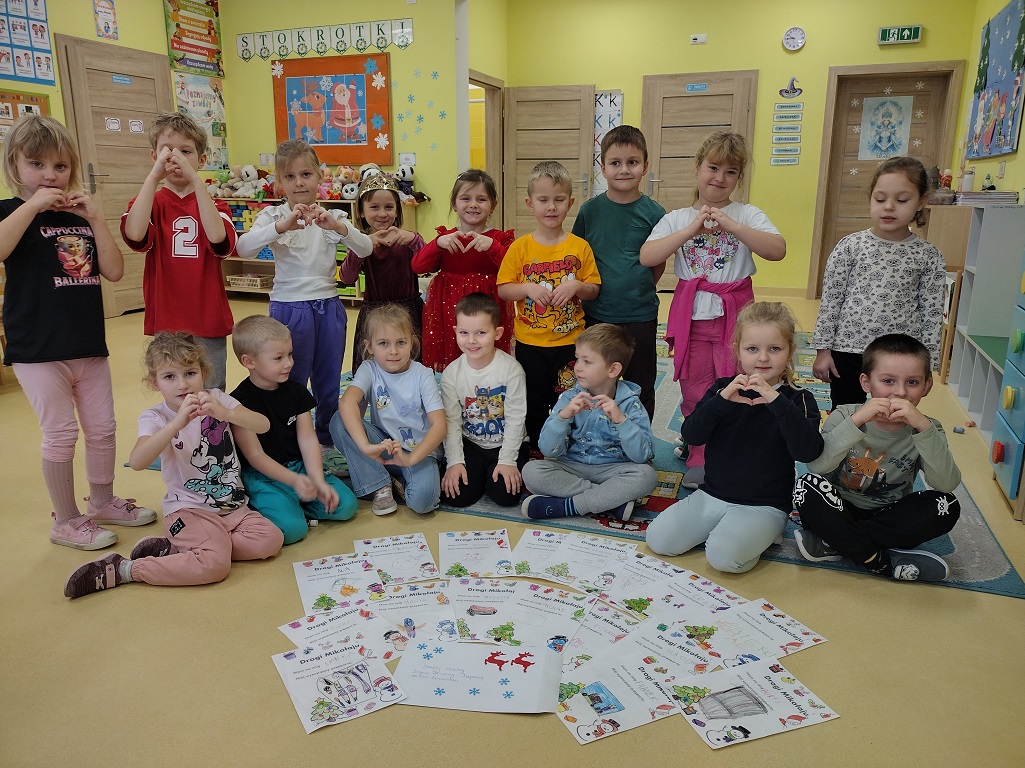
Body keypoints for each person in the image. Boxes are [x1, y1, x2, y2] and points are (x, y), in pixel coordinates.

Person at [0, 114, 157, 550]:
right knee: (61, 433)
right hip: (38, 348)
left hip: (87, 343)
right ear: (15, 166)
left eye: (60, 166)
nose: (50, 175)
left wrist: (95, 218)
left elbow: (114, 270)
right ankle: (66, 520)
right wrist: (32, 205)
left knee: (103, 428)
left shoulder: (77, 217)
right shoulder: (11, 211)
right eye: (37, 165)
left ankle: (102, 501)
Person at [62, 332, 284, 598]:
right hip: (188, 510)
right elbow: (138, 462)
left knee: (271, 541)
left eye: (190, 373)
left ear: (203, 373)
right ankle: (125, 569)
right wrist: (176, 424)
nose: (182, 384)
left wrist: (226, 413)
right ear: (154, 382)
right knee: (215, 566)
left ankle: (182, 549)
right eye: (169, 377)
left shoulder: (217, 398)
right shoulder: (155, 417)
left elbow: (263, 425)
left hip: (231, 507)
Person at [640, 130, 786, 489]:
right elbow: (648, 256)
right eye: (713, 167)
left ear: (739, 177)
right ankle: (699, 454)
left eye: (731, 171)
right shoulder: (677, 218)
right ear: (697, 168)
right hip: (692, 322)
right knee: (695, 390)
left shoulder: (747, 213)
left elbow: (777, 249)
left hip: (738, 322)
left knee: (742, 384)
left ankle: (734, 451)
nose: (720, 178)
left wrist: (731, 224)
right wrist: (691, 229)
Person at [645, 302, 822, 573]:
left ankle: (765, 531)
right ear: (737, 351)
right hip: (713, 494)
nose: (763, 358)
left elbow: (807, 452)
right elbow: (692, 435)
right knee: (658, 539)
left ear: (790, 351)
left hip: (765, 504)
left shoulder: (799, 398)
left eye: (775, 349)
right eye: (752, 349)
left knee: (723, 559)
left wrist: (777, 402)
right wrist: (720, 402)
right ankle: (734, 529)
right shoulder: (722, 389)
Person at [236, 140, 373, 452]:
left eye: (306, 174)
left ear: (320, 177)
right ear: (279, 182)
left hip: (328, 305)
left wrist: (338, 227)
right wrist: (281, 227)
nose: (299, 182)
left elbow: (365, 248)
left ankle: (326, 436)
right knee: (289, 376)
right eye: (290, 176)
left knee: (329, 377)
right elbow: (244, 248)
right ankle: (289, 438)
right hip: (289, 307)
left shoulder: (332, 215)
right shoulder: (273, 215)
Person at [793, 334, 961, 582]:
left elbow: (946, 483)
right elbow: (818, 466)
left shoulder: (929, 428)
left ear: (927, 386)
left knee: (946, 505)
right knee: (806, 486)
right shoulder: (844, 415)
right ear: (866, 382)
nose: (900, 392)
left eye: (912, 382)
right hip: (838, 510)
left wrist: (923, 428)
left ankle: (836, 543)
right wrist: (858, 420)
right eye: (888, 381)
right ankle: (881, 561)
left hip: (888, 518)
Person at [811, 156, 946, 410]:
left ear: (921, 202)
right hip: (848, 350)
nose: (889, 207)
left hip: (900, 357)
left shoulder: (929, 256)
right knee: (846, 412)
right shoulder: (850, 246)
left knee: (893, 414)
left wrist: (927, 365)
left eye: (902, 200)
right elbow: (831, 301)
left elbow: (931, 314)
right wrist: (822, 350)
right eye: (880, 199)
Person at [120, 111, 237, 390]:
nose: (176, 159)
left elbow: (218, 238)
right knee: (176, 393)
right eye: (167, 151)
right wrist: (153, 177)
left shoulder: (215, 205)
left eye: (185, 151)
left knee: (212, 390)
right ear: (154, 156)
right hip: (167, 320)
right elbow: (135, 234)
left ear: (201, 160)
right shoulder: (149, 201)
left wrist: (196, 181)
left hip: (207, 317)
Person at [497, 161, 601, 451]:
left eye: (559, 200)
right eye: (543, 200)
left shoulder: (580, 247)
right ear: (530, 204)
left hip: (570, 342)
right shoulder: (520, 247)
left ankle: (568, 443)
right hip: (530, 342)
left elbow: (594, 289)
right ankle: (537, 446)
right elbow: (504, 289)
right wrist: (526, 288)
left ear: (570, 203)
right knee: (533, 396)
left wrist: (577, 286)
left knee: (568, 396)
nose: (551, 207)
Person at [228, 315, 358, 545]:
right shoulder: (238, 403)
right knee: (293, 530)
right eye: (278, 358)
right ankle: (286, 507)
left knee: (346, 505)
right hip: (264, 476)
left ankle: (294, 505)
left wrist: (317, 480)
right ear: (249, 361)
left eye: (290, 354)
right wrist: (294, 481)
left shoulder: (296, 391)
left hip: (299, 468)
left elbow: (308, 440)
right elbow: (256, 457)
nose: (289, 363)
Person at [571, 125, 667, 420]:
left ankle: (640, 437)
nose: (624, 170)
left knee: (641, 384)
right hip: (598, 313)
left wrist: (638, 287)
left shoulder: (655, 213)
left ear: (645, 166)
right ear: (602, 168)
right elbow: (578, 256)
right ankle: (594, 435)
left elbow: (659, 262)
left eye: (632, 162)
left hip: (640, 314)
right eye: (615, 163)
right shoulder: (589, 211)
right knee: (595, 381)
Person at [520, 323, 657, 520]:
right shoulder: (569, 398)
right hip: (572, 466)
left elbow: (642, 456)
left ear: (613, 369)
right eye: (577, 359)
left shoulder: (631, 404)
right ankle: (609, 501)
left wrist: (622, 421)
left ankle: (567, 507)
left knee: (646, 476)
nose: (577, 367)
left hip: (614, 469)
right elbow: (549, 451)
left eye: (587, 361)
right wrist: (562, 417)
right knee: (531, 471)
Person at [329, 304, 445, 516]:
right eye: (383, 343)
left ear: (412, 342)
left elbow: (439, 426)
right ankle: (380, 484)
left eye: (401, 342)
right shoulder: (369, 368)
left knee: (423, 502)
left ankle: (386, 478)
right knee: (339, 420)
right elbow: (347, 403)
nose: (393, 351)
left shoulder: (423, 374)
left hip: (419, 452)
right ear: (369, 346)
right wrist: (365, 447)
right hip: (383, 447)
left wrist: (410, 459)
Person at [412, 169, 515, 372]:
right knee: (453, 358)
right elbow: (418, 266)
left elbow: (514, 270)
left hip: (487, 310)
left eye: (481, 199)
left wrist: (493, 247)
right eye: (466, 198)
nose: (473, 204)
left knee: (486, 357)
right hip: (449, 310)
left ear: (493, 205)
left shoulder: (500, 239)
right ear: (454, 204)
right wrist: (437, 244)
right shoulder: (446, 238)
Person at [440, 292, 529, 508]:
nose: (471, 341)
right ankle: (479, 475)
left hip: (505, 442)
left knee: (505, 495)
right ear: (456, 331)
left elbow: (516, 418)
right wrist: (455, 461)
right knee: (456, 496)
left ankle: (492, 475)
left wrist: (507, 460)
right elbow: (451, 421)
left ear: (497, 333)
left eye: (481, 333)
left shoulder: (512, 370)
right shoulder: (451, 373)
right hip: (471, 443)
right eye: (464, 333)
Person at [339, 173, 425, 375]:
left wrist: (413, 240)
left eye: (389, 207)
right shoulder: (361, 242)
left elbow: (428, 265)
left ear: (397, 210)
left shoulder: (409, 239)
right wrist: (362, 247)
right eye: (374, 207)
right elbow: (346, 278)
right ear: (361, 211)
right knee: (375, 368)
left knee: (410, 367)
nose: (382, 213)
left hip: (409, 313)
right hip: (375, 316)